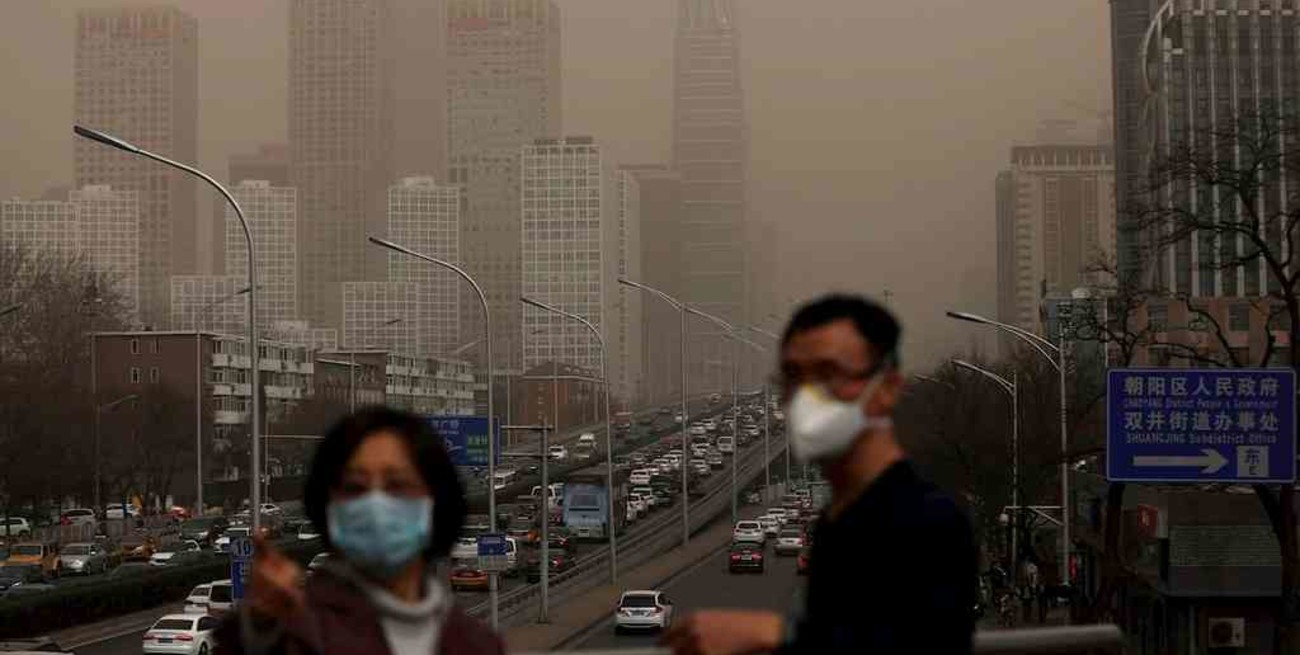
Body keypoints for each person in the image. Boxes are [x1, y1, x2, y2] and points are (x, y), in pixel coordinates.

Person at [664, 294, 977, 655]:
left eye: (829, 374)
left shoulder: (930, 518)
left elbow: (922, 643)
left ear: (887, 389)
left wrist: (772, 633)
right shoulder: (838, 520)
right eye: (794, 378)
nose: (807, 397)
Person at [215, 407, 504, 655]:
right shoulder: (294, 636)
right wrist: (261, 628)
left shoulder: (476, 644)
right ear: (328, 505)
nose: (376, 504)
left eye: (397, 485)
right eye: (355, 488)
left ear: (436, 501)